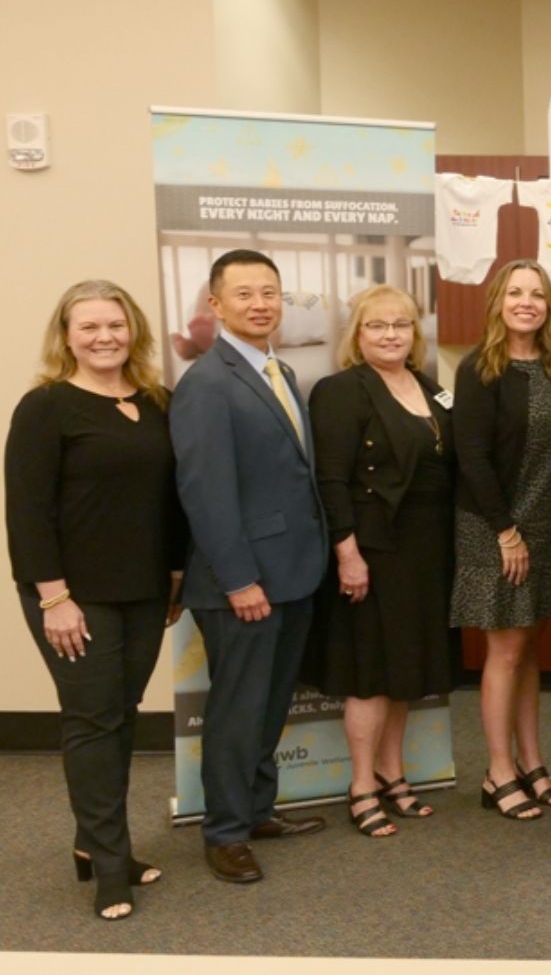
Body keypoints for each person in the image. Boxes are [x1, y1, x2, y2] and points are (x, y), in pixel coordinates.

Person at [7, 281, 186, 918]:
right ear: (66, 336)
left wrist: (173, 574)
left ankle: (93, 843)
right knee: (91, 720)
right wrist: (54, 598)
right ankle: (112, 864)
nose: (104, 337)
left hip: (142, 591)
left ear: (132, 329)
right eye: (89, 327)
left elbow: (170, 500)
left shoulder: (156, 401)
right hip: (72, 597)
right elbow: (26, 511)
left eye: (115, 324)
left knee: (121, 714)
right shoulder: (46, 406)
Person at [169, 250, 330, 884]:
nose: (260, 303)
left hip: (291, 572)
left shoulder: (277, 370)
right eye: (244, 294)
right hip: (243, 582)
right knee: (237, 712)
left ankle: (258, 810)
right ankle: (226, 832)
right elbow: (205, 493)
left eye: (270, 291)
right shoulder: (206, 383)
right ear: (215, 305)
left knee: (267, 707)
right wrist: (239, 580)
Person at [305, 286, 455, 838]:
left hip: (425, 551)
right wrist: (348, 555)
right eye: (377, 326)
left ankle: (394, 774)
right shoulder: (341, 391)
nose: (391, 334)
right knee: (369, 675)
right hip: (372, 551)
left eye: (402, 324)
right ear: (357, 334)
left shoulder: (431, 388)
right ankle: (362, 784)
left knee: (403, 671)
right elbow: (331, 479)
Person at [451, 259, 551, 822]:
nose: (528, 302)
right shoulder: (481, 367)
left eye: (538, 294)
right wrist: (506, 533)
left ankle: (531, 760)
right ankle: (497, 771)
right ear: (499, 300)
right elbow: (471, 457)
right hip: (496, 528)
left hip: (547, 528)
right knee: (504, 651)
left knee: (529, 647)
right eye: (517, 292)